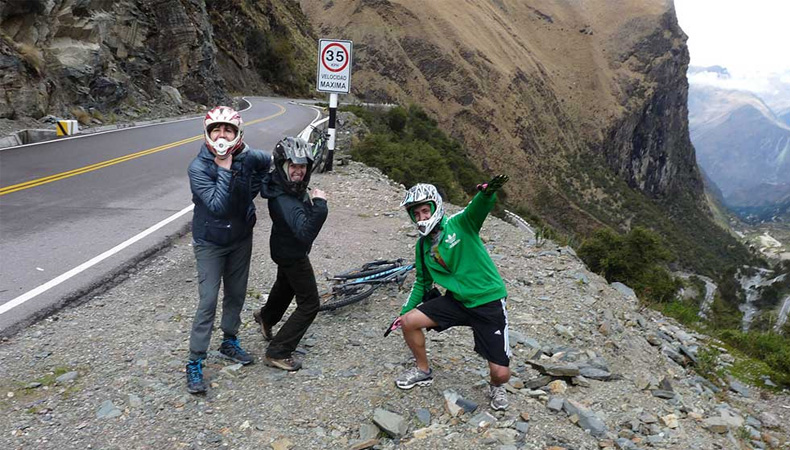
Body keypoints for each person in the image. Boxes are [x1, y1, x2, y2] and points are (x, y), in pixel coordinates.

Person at [390, 176, 512, 410]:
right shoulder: (422, 246)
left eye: (425, 211)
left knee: (501, 374)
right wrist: (403, 312)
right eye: (416, 214)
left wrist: (486, 194)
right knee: (408, 322)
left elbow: (476, 209)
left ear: (435, 207)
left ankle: (496, 386)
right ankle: (423, 370)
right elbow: (422, 282)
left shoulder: (460, 224)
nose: (421, 217)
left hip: (488, 301)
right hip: (456, 301)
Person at [185, 106, 272, 394]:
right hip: (209, 242)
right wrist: (224, 169)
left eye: (228, 130)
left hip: (240, 238)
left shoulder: (247, 156)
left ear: (237, 134)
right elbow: (217, 206)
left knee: (236, 293)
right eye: (216, 130)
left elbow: (267, 162)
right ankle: (195, 360)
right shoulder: (198, 167)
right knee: (208, 300)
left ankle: (229, 341)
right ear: (207, 133)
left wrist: (253, 190)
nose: (221, 136)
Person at [253, 137, 328, 371]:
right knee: (310, 304)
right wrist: (320, 205)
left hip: (283, 249)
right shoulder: (284, 199)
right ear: (283, 166)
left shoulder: (284, 186)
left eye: (303, 166)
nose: (299, 171)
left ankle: (266, 317)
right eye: (294, 166)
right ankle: (278, 351)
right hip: (293, 254)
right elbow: (305, 233)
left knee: (286, 286)